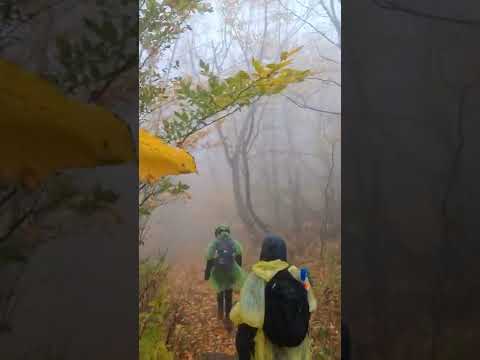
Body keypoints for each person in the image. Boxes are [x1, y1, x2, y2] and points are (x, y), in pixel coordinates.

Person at [230, 235, 317, 360]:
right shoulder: (298, 273)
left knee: (243, 330)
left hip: (267, 346)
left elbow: (246, 315)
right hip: (297, 346)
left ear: (263, 252)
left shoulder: (256, 276)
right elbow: (311, 304)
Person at [204, 224, 245, 330]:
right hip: (230, 271)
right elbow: (239, 253)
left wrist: (207, 273)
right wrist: (238, 270)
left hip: (218, 272)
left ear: (217, 232)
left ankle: (220, 314)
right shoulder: (233, 242)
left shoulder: (215, 243)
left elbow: (209, 257)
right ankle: (228, 318)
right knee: (228, 295)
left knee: (219, 292)